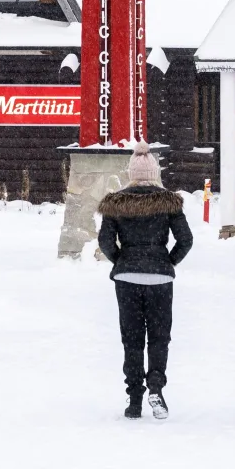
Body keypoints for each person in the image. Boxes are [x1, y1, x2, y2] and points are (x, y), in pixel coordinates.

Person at [97, 142, 193, 420]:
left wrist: (122, 261)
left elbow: (105, 241)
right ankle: (156, 387)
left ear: (130, 173)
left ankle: (134, 398)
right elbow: (185, 240)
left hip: (126, 278)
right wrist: (168, 261)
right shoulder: (169, 202)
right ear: (155, 173)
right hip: (160, 278)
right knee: (159, 337)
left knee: (132, 338)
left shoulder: (116, 202)